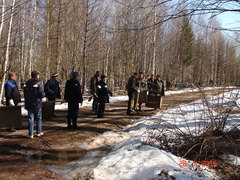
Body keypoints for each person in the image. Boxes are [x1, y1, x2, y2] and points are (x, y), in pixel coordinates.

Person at [24, 71, 45, 138]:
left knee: (30, 118)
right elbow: (41, 93)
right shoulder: (39, 83)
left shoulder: (27, 83)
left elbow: (25, 93)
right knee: (38, 117)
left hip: (29, 102)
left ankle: (30, 134)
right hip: (37, 102)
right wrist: (43, 96)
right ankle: (38, 132)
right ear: (37, 75)